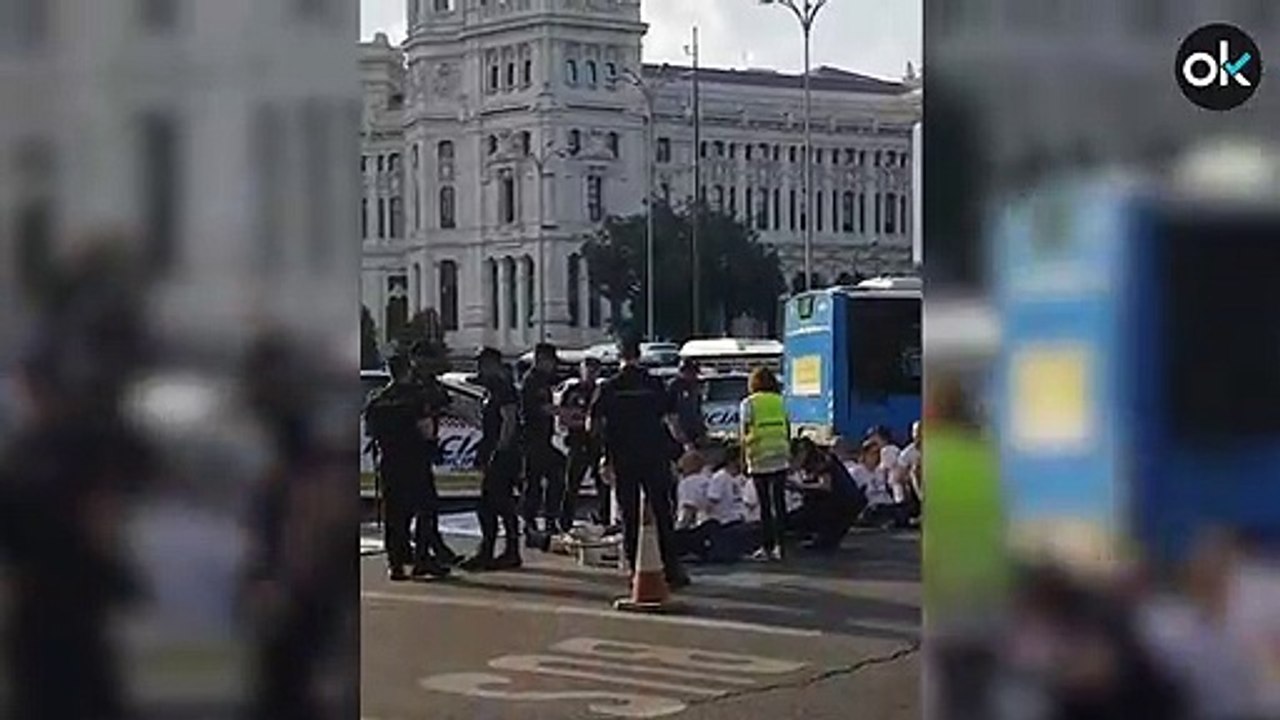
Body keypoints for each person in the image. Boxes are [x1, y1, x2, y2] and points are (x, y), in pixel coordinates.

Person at [590, 335, 690, 590]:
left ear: (619, 355)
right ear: (639, 354)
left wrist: (604, 456)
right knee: (662, 512)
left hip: (624, 457)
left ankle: (635, 569)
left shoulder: (610, 387)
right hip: (654, 455)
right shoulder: (654, 384)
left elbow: (595, 425)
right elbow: (673, 421)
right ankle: (672, 568)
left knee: (629, 513)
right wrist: (683, 448)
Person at [362, 353, 451, 580]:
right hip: (415, 461)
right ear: (408, 370)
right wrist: (432, 445)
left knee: (394, 515)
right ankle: (422, 559)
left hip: (389, 462)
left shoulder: (377, 399)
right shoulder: (415, 397)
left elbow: (370, 432)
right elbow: (426, 427)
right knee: (426, 509)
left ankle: (396, 564)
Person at [461, 347, 524, 571]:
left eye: (483, 364)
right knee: (497, 504)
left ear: (493, 364)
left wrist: (501, 449)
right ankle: (503, 550)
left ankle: (495, 551)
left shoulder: (503, 388)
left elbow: (509, 420)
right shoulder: (491, 390)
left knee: (493, 504)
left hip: (503, 455)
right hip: (495, 452)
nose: (479, 368)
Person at [739, 367, 791, 561]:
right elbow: (787, 426)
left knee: (765, 504)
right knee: (779, 501)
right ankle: (782, 545)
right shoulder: (780, 401)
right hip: (780, 453)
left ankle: (767, 546)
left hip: (760, 455)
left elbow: (744, 432)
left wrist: (743, 459)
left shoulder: (749, 403)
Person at [520, 343, 566, 537]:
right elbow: (537, 408)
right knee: (537, 481)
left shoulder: (543, 380)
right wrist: (564, 412)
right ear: (541, 360)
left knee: (549, 477)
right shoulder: (531, 381)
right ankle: (533, 520)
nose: (553, 366)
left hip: (543, 439)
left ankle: (546, 518)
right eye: (550, 361)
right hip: (532, 438)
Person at [789, 438, 867, 551]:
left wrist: (800, 487)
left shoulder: (821, 460)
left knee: (809, 511)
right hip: (850, 501)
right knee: (827, 542)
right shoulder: (819, 459)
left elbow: (825, 486)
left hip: (843, 502)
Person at [558, 356, 604, 531]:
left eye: (593, 370)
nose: (590, 374)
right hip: (577, 441)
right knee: (572, 483)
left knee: (602, 483)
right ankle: (565, 521)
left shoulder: (602, 391)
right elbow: (564, 417)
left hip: (597, 442)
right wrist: (581, 422)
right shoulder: (572, 390)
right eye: (587, 369)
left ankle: (603, 517)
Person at [667, 358, 707, 452]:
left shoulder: (695, 386)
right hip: (679, 436)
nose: (694, 376)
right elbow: (670, 415)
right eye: (690, 372)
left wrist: (702, 431)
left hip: (694, 433)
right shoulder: (674, 386)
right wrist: (680, 436)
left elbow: (698, 410)